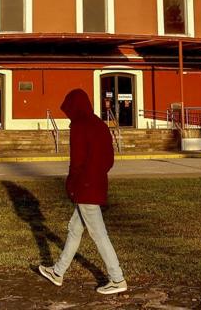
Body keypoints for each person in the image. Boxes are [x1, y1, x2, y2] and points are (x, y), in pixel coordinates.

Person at [37, 87, 127, 295]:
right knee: (75, 229)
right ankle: (58, 272)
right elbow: (109, 160)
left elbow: (76, 162)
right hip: (97, 185)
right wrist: (96, 174)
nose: (67, 114)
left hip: (84, 188)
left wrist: (72, 185)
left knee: (98, 234)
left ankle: (117, 278)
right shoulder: (99, 125)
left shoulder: (79, 126)